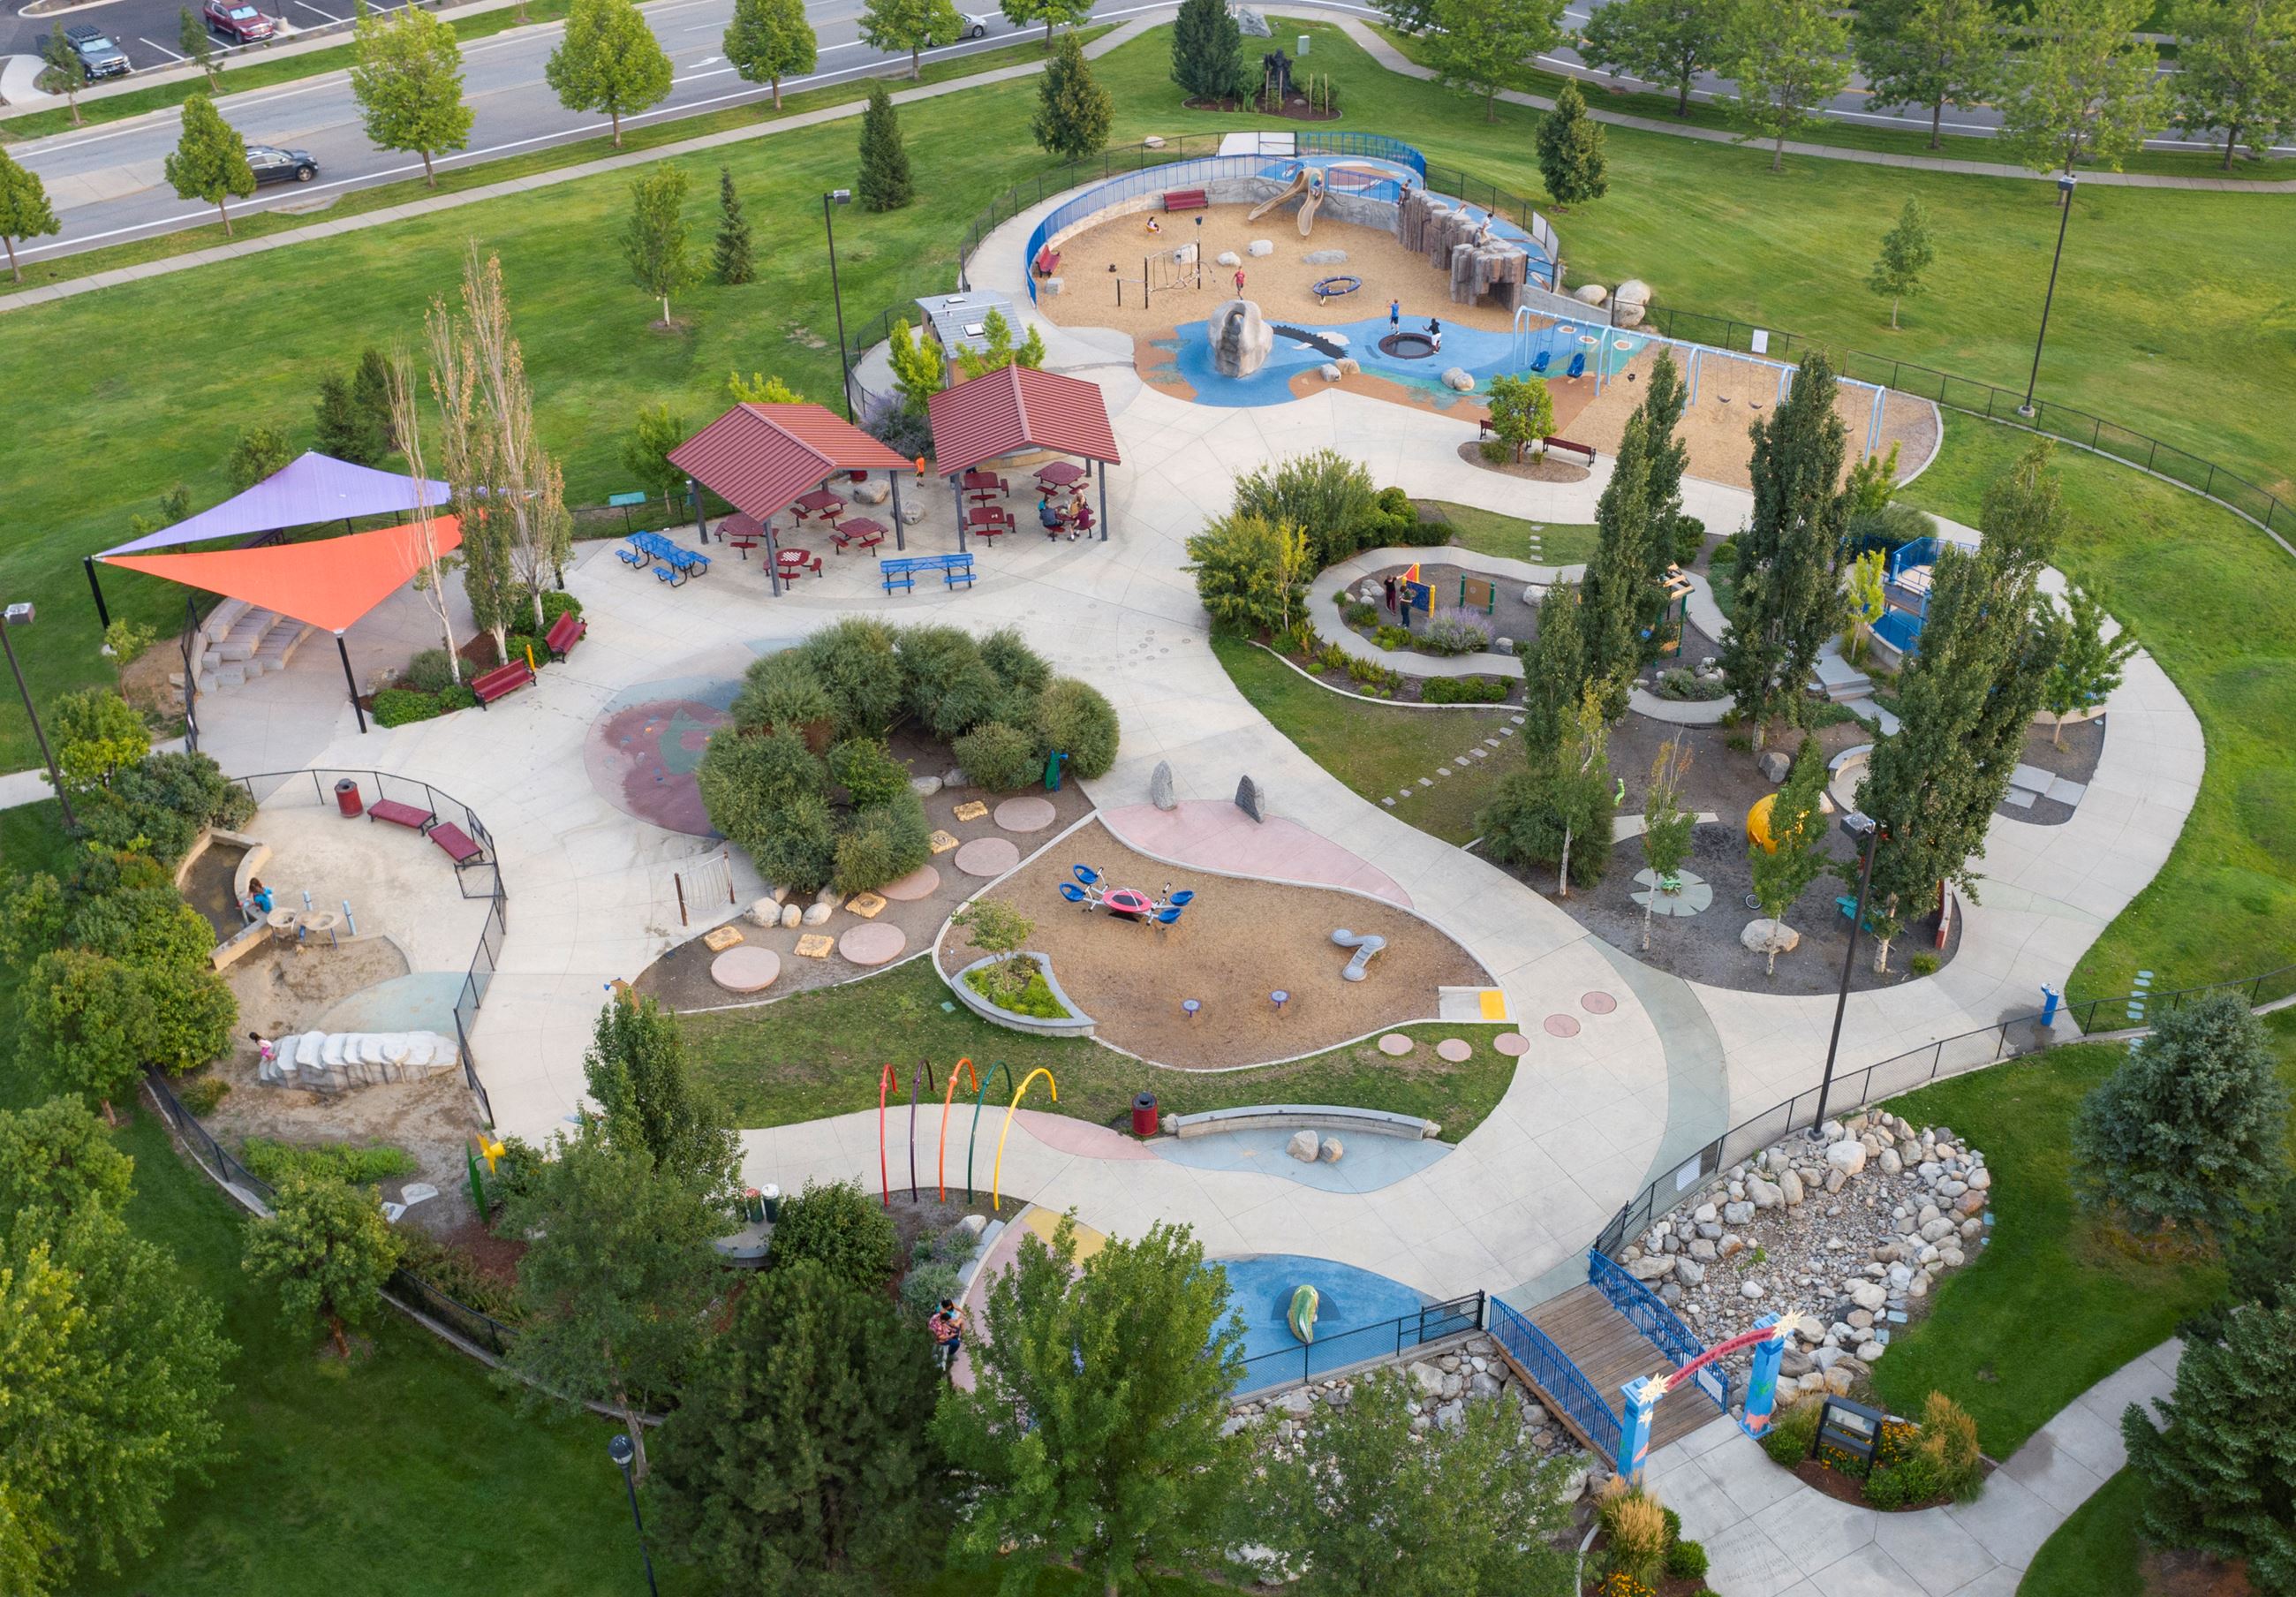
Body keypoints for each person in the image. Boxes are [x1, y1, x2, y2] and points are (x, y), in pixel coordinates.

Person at [929, 1298, 966, 1379]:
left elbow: (944, 1323)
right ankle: (951, 1354)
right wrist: (950, 1336)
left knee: (956, 1329)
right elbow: (941, 1337)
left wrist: (950, 1328)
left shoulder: (939, 1316)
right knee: (957, 1344)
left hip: (944, 1332)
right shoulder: (938, 1326)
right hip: (940, 1339)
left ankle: (954, 1339)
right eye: (947, 1321)